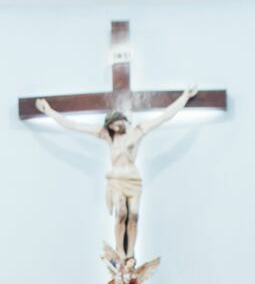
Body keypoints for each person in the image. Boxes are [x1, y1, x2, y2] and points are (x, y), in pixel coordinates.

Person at [36, 89, 197, 258]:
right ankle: (120, 250)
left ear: (122, 118)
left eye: (116, 122)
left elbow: (165, 116)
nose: (115, 126)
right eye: (111, 125)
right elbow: (75, 126)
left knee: (133, 214)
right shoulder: (108, 137)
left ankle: (130, 253)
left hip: (133, 180)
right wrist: (49, 111)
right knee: (121, 212)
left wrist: (184, 97)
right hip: (116, 180)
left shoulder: (138, 132)